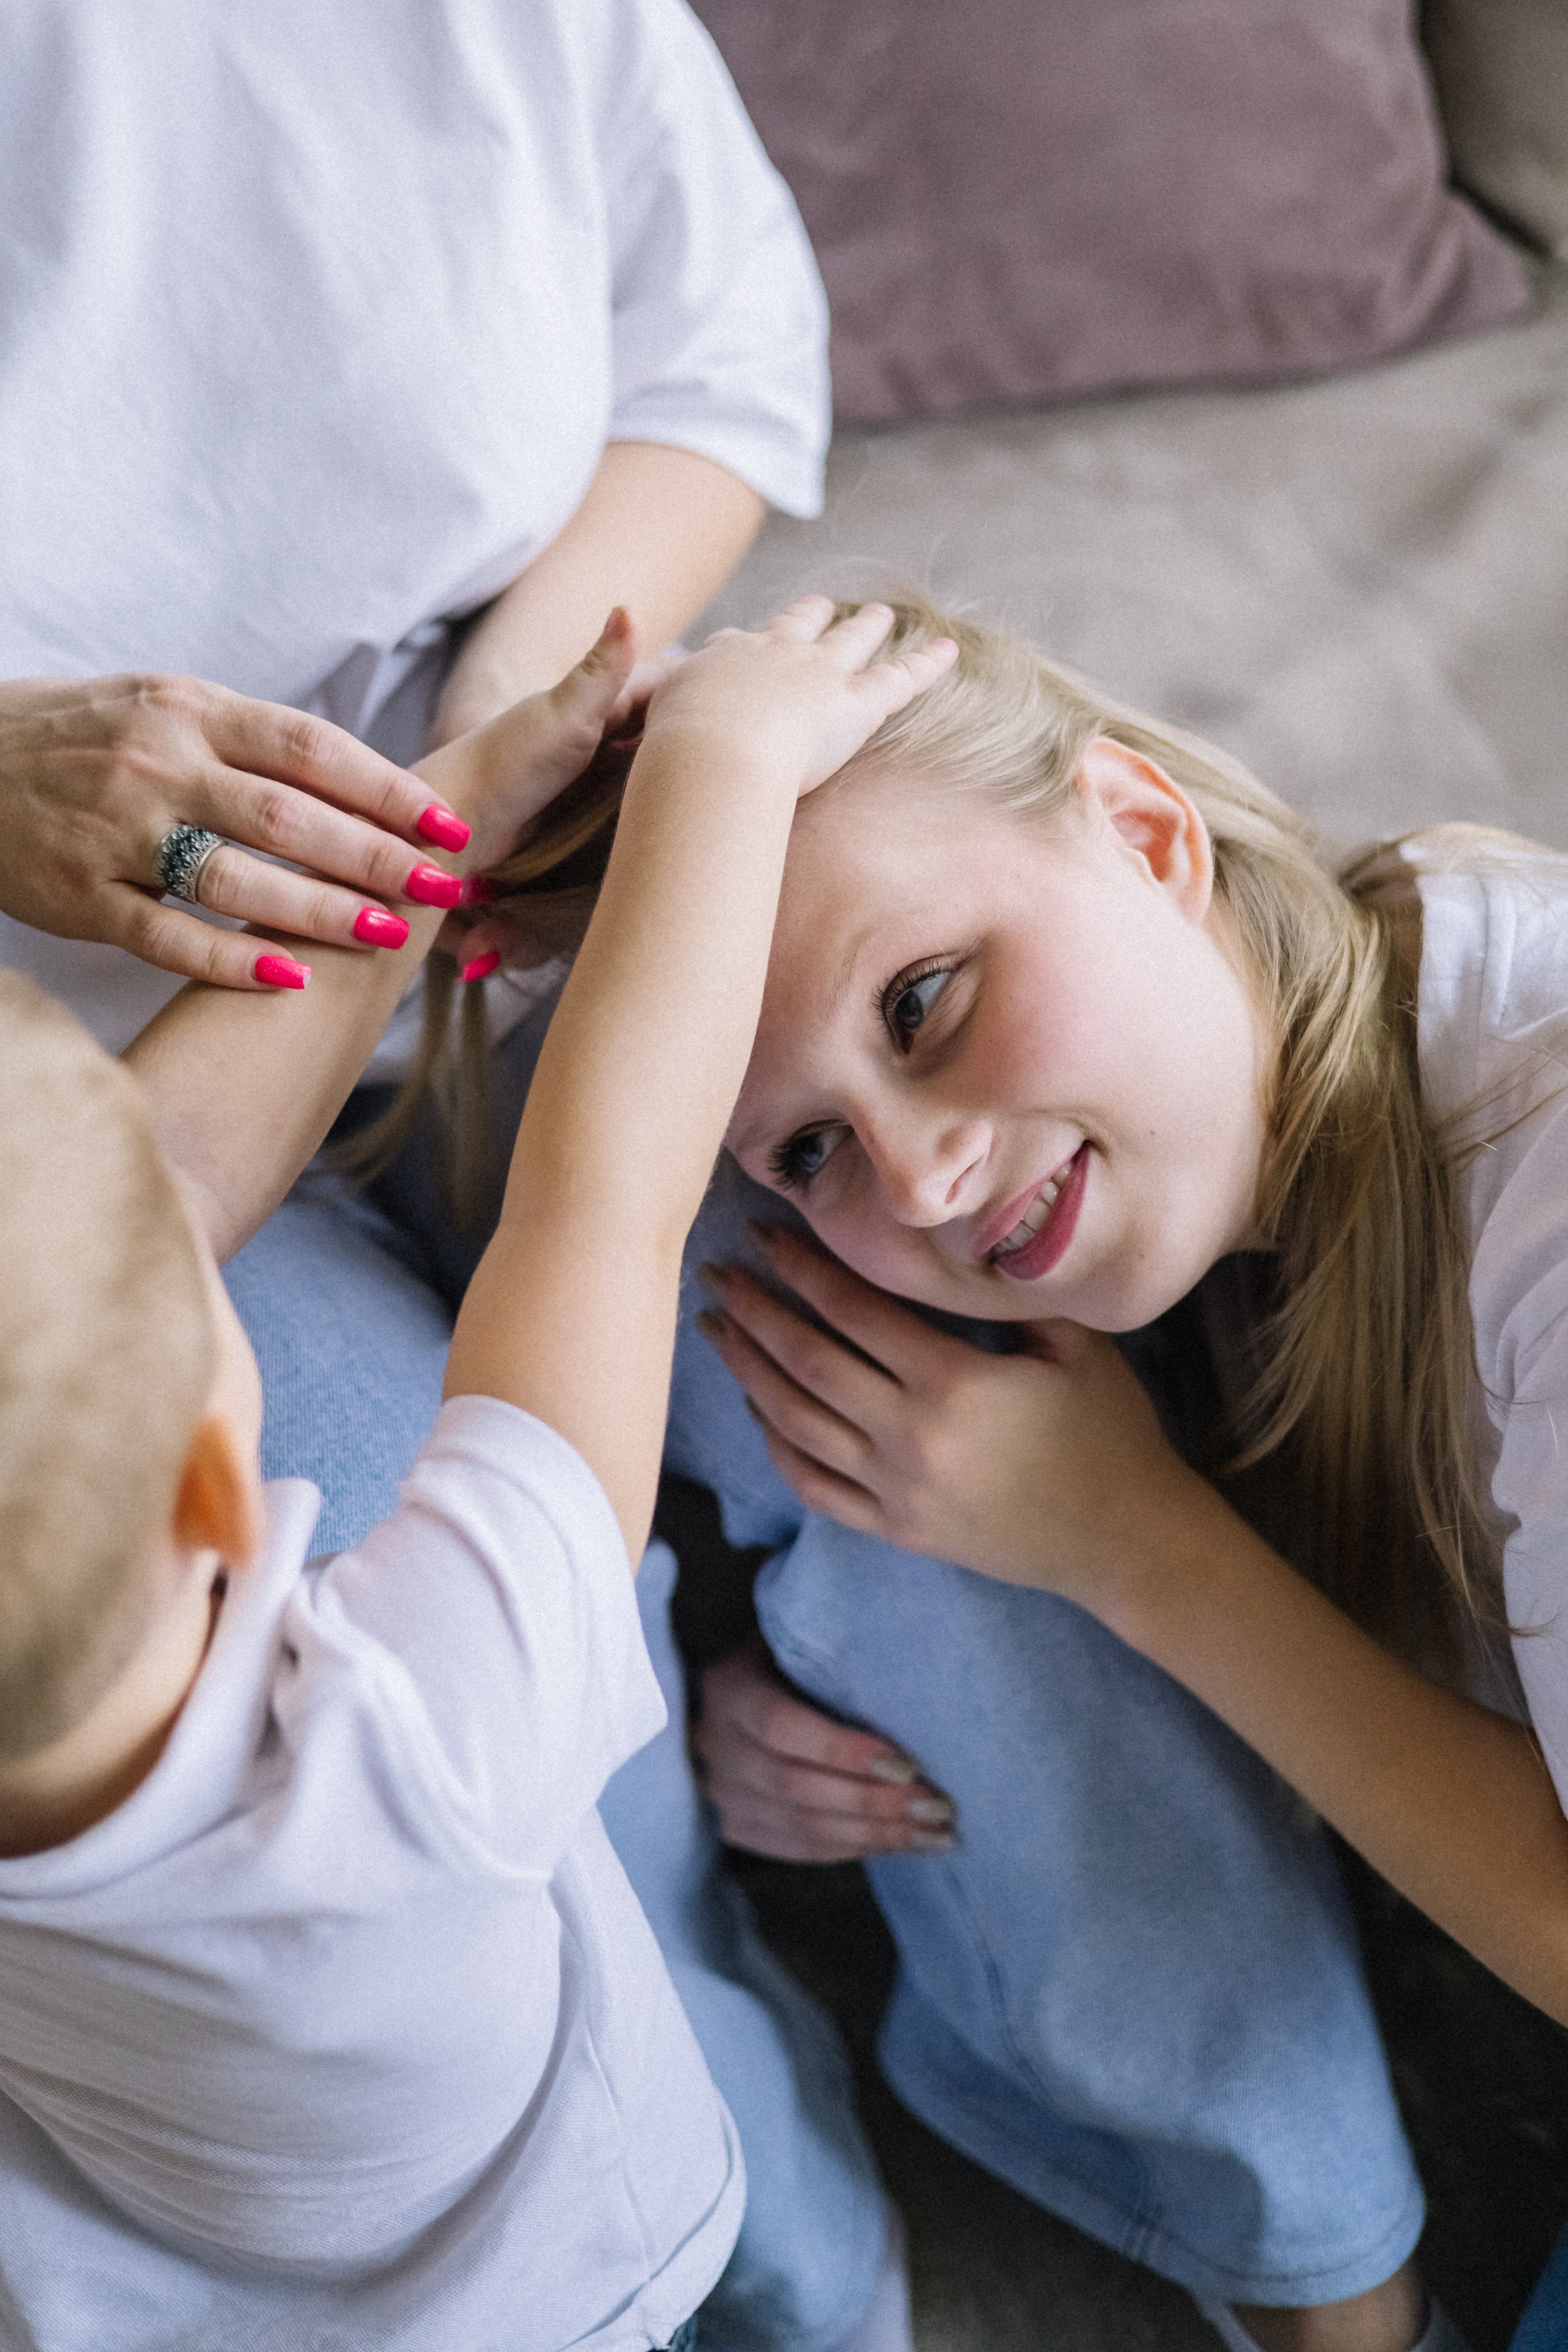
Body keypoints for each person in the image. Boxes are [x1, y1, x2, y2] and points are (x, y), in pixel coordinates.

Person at [0, 12, 910, 2346]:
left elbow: (718, 343)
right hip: (608, 2239)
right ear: (222, 1484)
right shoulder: (420, 1720)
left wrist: (469, 764)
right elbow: (586, 1237)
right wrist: (701, 767)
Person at [440, 594, 1554, 2351]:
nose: (927, 1185)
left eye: (927, 1002)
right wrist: (752, 1697)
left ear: (1143, 829)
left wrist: (1139, 1549)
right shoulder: (1233, 1169)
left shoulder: (1541, 1175)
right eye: (815, 1143)